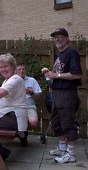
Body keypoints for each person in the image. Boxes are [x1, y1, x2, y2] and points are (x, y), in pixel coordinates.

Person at [44, 28, 82, 163]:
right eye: (55, 37)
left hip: (67, 94)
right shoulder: (60, 55)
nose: (57, 39)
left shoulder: (71, 52)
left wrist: (57, 75)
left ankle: (71, 155)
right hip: (57, 92)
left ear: (67, 38)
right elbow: (58, 75)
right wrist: (51, 76)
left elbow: (77, 74)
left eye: (61, 36)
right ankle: (61, 148)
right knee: (57, 122)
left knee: (68, 122)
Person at [16, 63, 42, 145]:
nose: (21, 71)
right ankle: (22, 135)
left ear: (26, 70)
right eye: (19, 69)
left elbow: (38, 96)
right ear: (15, 71)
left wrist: (31, 92)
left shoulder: (32, 80)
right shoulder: (11, 81)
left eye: (23, 69)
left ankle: (23, 132)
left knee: (34, 123)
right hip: (15, 106)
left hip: (29, 105)